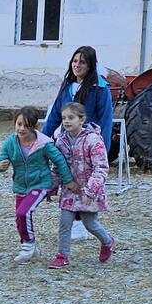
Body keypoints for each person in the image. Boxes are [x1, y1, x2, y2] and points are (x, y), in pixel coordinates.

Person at [42, 45, 114, 242]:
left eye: (82, 62)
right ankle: (72, 222)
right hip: (67, 144)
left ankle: (86, 223)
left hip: (89, 145)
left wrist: (102, 149)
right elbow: (56, 114)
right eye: (74, 61)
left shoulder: (100, 88)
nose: (77, 65)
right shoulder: (67, 86)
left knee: (86, 182)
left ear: (90, 65)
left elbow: (105, 120)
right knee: (68, 179)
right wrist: (43, 140)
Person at [0, 106, 71, 263]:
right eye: (19, 124)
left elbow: (59, 160)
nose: (21, 129)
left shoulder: (44, 144)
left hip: (41, 184)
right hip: (20, 186)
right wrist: (0, 165)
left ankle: (28, 246)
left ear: (34, 127)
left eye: (26, 125)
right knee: (19, 217)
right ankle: (28, 245)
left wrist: (68, 180)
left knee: (24, 212)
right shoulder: (10, 142)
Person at [48, 102, 115, 268]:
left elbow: (101, 167)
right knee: (65, 223)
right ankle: (63, 254)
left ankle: (107, 241)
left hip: (89, 190)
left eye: (71, 117)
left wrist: (91, 191)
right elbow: (57, 167)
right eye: (64, 118)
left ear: (82, 119)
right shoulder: (61, 142)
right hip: (70, 190)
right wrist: (52, 187)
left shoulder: (93, 140)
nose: (66, 121)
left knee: (90, 224)